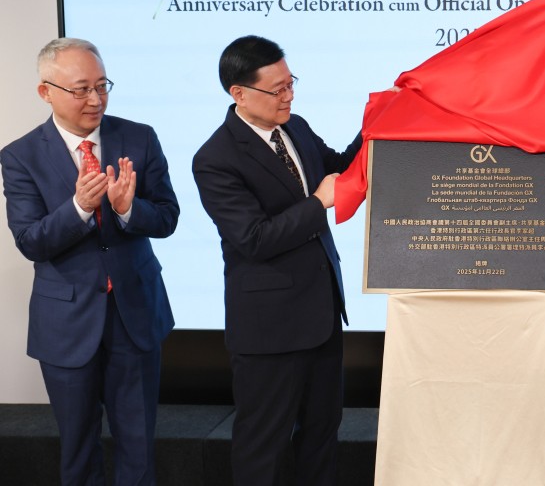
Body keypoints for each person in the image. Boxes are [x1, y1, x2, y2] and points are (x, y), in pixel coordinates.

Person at [1, 38, 179, 485]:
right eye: (81, 89)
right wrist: (80, 207)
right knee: (78, 451)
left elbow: (167, 217)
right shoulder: (20, 156)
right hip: (66, 323)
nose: (96, 99)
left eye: (102, 86)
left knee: (138, 449)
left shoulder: (139, 137)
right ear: (46, 92)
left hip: (134, 315)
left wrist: (128, 209)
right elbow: (31, 241)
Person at [192, 35, 362, 486]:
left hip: (321, 315)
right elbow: (254, 239)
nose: (289, 96)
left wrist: (378, 123)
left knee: (322, 434)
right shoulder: (215, 158)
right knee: (262, 446)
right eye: (277, 89)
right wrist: (318, 204)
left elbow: (339, 170)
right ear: (239, 93)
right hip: (269, 329)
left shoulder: (295, 127)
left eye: (291, 83)